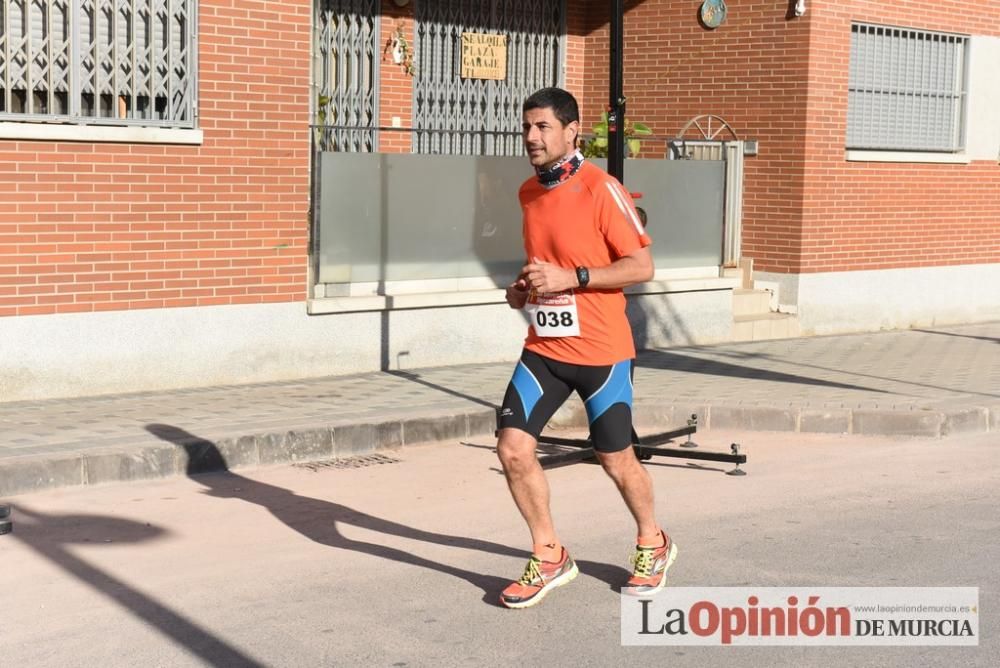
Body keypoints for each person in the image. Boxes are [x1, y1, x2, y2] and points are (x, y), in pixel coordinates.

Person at [495, 87, 677, 610]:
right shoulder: (529, 192)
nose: (530, 136)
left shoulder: (602, 188)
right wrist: (523, 289)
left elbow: (640, 267)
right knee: (512, 448)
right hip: (545, 346)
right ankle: (549, 553)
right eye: (526, 126)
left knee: (616, 459)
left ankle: (653, 542)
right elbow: (544, 263)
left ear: (572, 130)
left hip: (601, 351)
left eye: (542, 127)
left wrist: (571, 276)